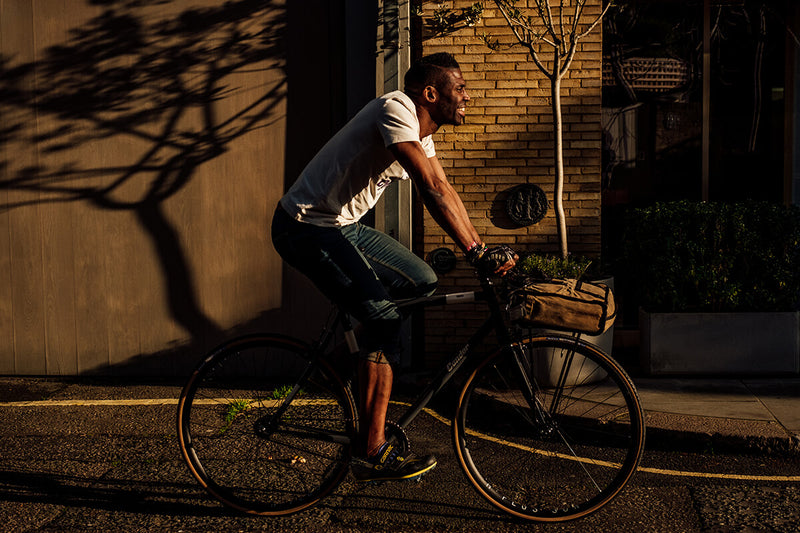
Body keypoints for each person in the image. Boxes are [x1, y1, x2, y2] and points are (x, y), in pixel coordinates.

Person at [271, 52, 516, 483]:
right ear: (430, 93)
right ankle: (371, 451)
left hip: (341, 227)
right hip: (305, 227)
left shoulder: (422, 132)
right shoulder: (396, 109)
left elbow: (444, 187)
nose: (468, 97)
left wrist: (481, 247)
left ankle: (346, 362)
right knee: (384, 323)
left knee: (422, 279)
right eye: (459, 88)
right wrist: (476, 253)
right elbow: (429, 188)